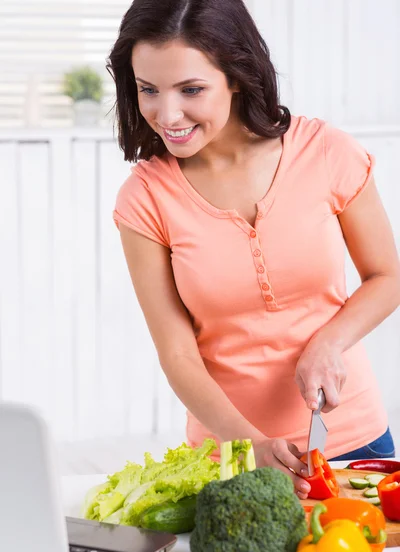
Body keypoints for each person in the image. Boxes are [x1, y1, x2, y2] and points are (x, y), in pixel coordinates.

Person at [108, 0, 400, 499]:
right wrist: (250, 443)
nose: (166, 114)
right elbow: (177, 353)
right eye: (148, 90)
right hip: (228, 457)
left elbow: (386, 276)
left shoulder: (326, 151)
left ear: (237, 76)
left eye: (191, 89)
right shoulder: (145, 198)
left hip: (352, 441)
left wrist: (327, 343)